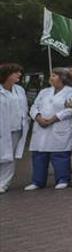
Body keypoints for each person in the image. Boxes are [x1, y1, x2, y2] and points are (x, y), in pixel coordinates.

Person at [26, 68, 72, 191]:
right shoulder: (44, 91)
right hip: (40, 127)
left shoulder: (71, 92)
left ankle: (62, 179)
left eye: (54, 75)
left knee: (59, 155)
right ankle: (38, 181)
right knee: (39, 155)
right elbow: (34, 106)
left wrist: (52, 119)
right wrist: (38, 118)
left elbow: (71, 109)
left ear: (62, 77)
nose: (51, 77)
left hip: (59, 127)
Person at [0, 64, 29, 193]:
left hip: (16, 128)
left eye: (20, 72)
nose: (19, 75)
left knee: (10, 157)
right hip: (2, 128)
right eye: (16, 73)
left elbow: (24, 107)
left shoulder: (19, 90)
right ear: (6, 74)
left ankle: (3, 183)